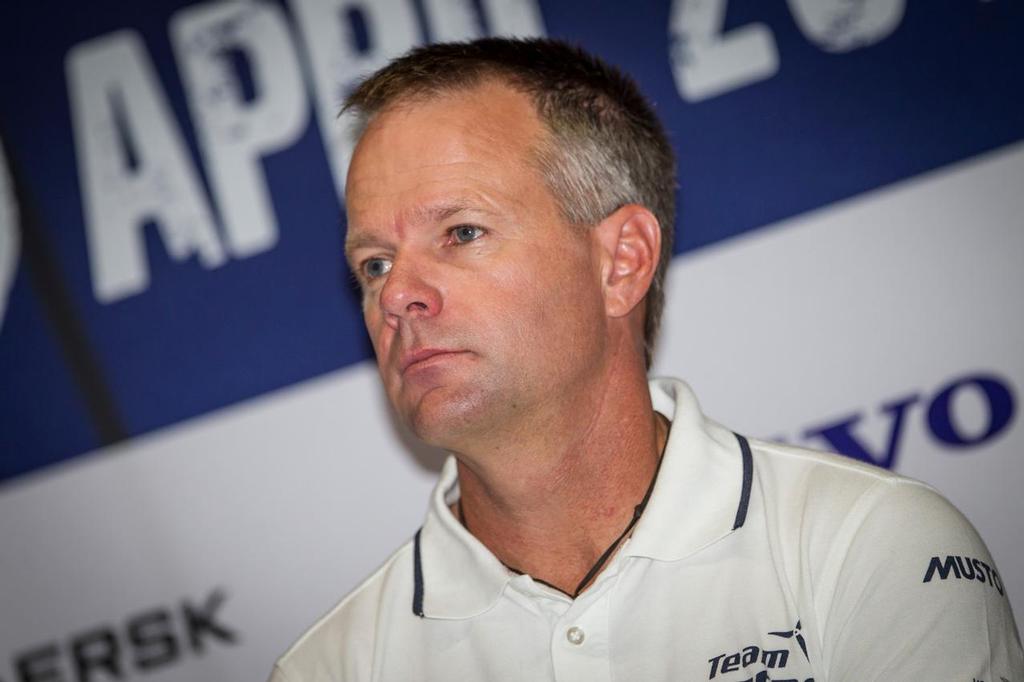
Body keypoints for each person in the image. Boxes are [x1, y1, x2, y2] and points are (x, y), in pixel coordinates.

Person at [270, 38, 1023, 681]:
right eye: (372, 264)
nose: (397, 293)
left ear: (622, 261)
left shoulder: (865, 546)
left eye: (462, 233)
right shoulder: (333, 667)